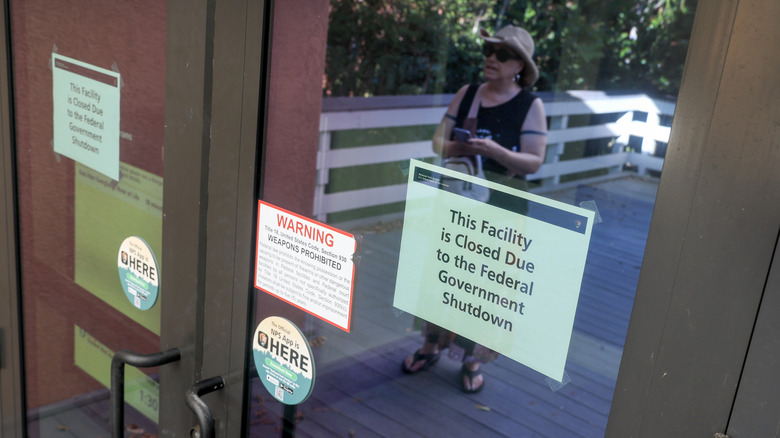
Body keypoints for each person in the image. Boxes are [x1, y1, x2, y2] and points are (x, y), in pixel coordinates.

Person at [402, 25, 548, 394]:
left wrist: (495, 152)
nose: (490, 59)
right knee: (443, 275)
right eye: (488, 50)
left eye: (501, 54)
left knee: (484, 288)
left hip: (502, 211)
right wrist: (455, 148)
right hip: (456, 202)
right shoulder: (467, 94)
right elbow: (438, 139)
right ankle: (430, 346)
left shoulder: (531, 105)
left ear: (520, 65)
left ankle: (471, 360)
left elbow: (535, 161)